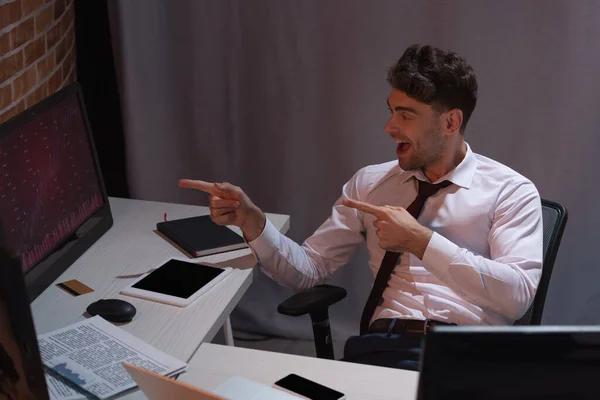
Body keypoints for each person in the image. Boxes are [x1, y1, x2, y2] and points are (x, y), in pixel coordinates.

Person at [179, 44, 543, 370]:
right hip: (384, 351)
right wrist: (254, 223)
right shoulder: (370, 185)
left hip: (470, 358)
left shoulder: (511, 192)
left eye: (406, 115)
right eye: (391, 112)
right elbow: (307, 271)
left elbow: (517, 298)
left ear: (450, 122)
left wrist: (422, 242)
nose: (389, 127)